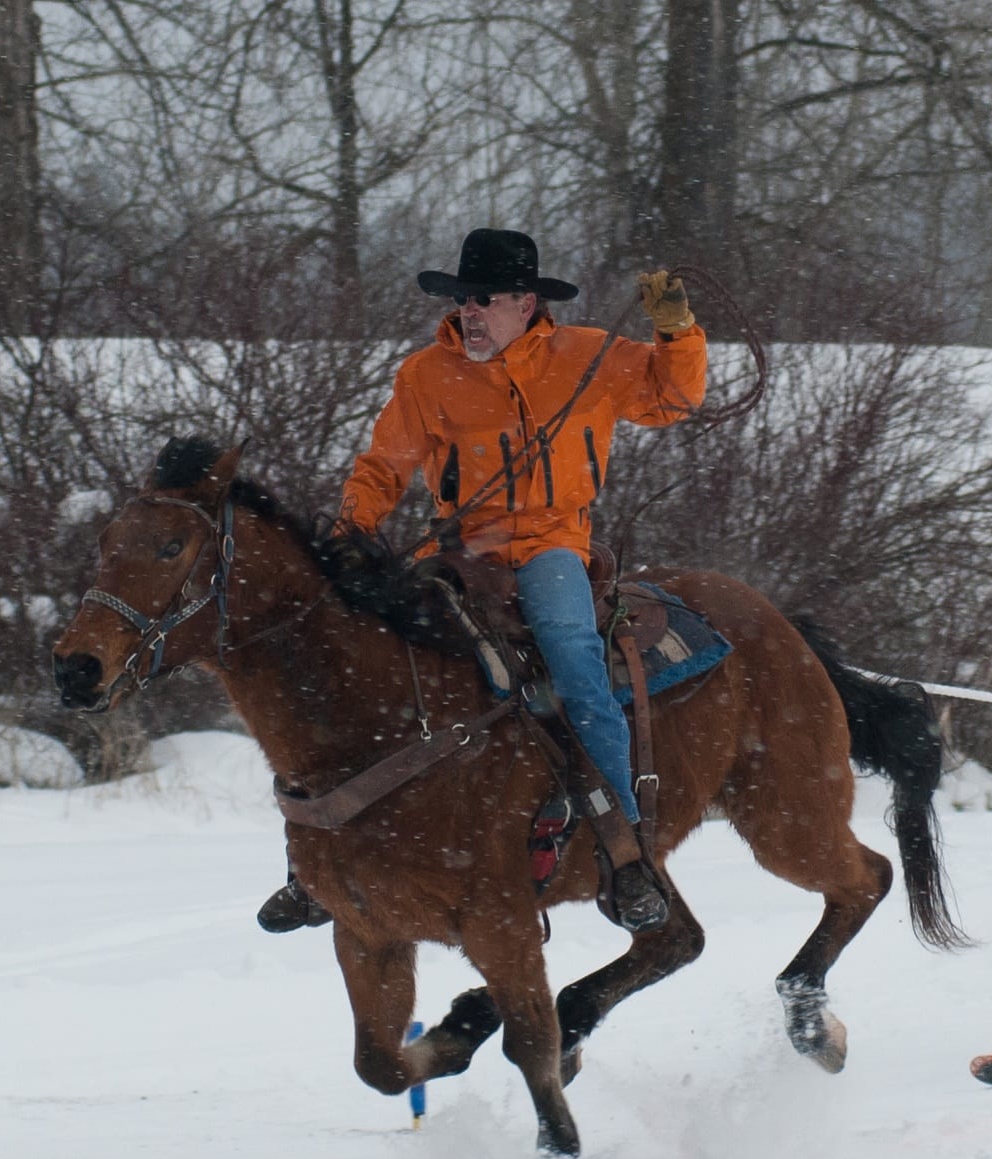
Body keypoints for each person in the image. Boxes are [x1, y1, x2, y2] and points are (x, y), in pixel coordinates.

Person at [258, 227, 707, 935]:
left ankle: (626, 855)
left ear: (527, 303)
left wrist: (676, 329)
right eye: (464, 300)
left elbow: (673, 398)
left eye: (487, 301)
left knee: (573, 657)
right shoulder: (426, 375)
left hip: (553, 546)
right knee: (365, 659)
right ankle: (314, 861)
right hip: (461, 550)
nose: (471, 314)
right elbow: (382, 466)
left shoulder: (589, 356)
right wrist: (350, 536)